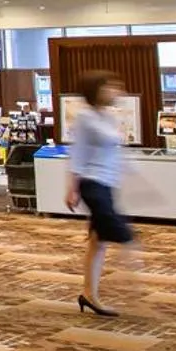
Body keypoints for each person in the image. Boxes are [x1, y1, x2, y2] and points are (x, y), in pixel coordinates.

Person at [67, 70, 136, 315]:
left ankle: (89, 294)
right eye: (110, 86)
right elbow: (78, 153)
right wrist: (72, 188)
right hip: (91, 183)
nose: (116, 90)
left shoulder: (107, 116)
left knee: (98, 242)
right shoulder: (85, 118)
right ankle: (135, 280)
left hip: (106, 182)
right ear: (96, 90)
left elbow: (112, 151)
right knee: (122, 234)